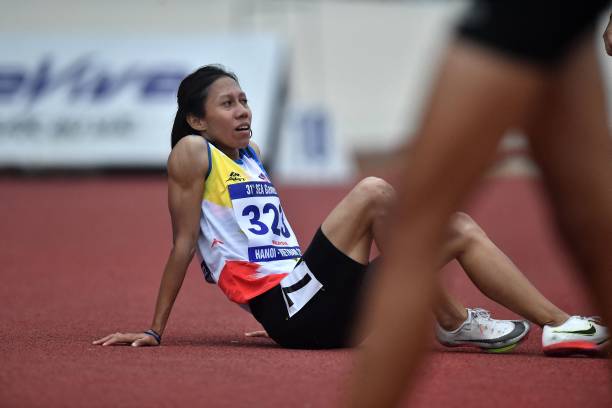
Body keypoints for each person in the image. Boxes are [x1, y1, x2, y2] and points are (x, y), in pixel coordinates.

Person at [93, 65, 605, 355]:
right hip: (294, 311)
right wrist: (155, 329)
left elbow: (263, 245)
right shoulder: (191, 154)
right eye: (227, 103)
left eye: (245, 99)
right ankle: (452, 322)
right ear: (196, 121)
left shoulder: (247, 158)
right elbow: (185, 244)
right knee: (374, 192)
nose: (244, 109)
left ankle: (559, 324)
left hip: (304, 305)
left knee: (457, 230)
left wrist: (272, 308)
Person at [345, 1, 612, 407]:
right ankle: (564, 325)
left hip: (524, 15)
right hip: (564, 22)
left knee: (416, 229)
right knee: (594, 229)